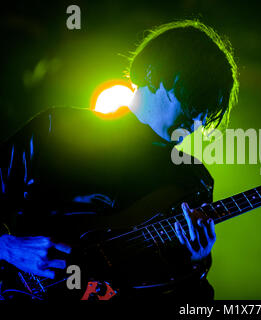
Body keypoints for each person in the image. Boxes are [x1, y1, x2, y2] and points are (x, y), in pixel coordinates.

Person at [0, 19, 239, 300]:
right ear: (153, 73)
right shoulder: (58, 128)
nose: (198, 122)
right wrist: (8, 248)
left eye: (208, 114)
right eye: (195, 103)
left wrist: (195, 264)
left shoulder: (193, 181)